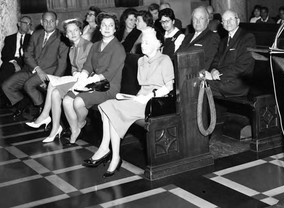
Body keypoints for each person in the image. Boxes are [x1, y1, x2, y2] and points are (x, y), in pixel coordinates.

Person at [82, 28, 174, 177]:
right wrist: (129, 98)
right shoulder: (141, 60)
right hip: (140, 99)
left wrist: (149, 96)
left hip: (155, 102)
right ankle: (112, 153)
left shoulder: (165, 60)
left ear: (157, 44)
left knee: (112, 109)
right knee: (106, 106)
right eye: (142, 42)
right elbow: (141, 87)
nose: (142, 45)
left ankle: (111, 153)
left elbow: (169, 87)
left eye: (146, 42)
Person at [62, 13, 126, 144]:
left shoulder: (118, 48)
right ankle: (75, 130)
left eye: (111, 25)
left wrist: (88, 81)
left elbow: (109, 73)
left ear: (115, 29)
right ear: (100, 28)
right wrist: (83, 78)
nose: (107, 28)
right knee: (67, 101)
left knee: (78, 102)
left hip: (108, 87)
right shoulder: (96, 45)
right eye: (104, 25)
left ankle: (80, 124)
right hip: (93, 83)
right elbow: (88, 65)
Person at [26, 19, 92, 142]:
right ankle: (55, 128)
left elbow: (92, 67)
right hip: (76, 79)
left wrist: (79, 74)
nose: (73, 33)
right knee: (55, 93)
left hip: (87, 81)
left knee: (52, 84)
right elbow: (73, 68)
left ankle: (45, 115)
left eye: (76, 30)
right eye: (69, 31)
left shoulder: (88, 46)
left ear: (81, 31)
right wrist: (75, 73)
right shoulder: (72, 49)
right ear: (66, 35)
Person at [2, 11, 69, 119]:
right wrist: (37, 68)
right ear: (41, 22)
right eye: (46, 21)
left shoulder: (62, 38)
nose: (49, 24)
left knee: (29, 85)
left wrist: (53, 81)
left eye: (52, 21)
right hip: (32, 69)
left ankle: (42, 111)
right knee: (7, 86)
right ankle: (23, 103)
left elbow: (62, 63)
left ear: (56, 22)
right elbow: (28, 54)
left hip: (48, 73)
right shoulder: (36, 34)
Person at [203, 10, 256, 97]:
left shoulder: (247, 37)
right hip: (223, 81)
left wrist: (218, 75)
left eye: (230, 19)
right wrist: (213, 70)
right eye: (224, 20)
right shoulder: (224, 40)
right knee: (198, 82)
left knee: (201, 85)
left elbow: (242, 66)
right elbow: (216, 60)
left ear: (238, 21)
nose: (228, 22)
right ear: (222, 24)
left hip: (237, 83)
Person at [0, 16, 32, 108]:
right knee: (4, 70)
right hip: (13, 60)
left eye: (29, 24)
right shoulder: (9, 39)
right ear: (19, 24)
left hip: (25, 61)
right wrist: (14, 63)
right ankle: (5, 98)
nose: (28, 26)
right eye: (25, 23)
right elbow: (4, 55)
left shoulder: (31, 38)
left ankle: (20, 99)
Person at [178, 6, 220, 70]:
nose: (198, 22)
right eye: (195, 18)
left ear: (207, 21)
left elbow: (209, 60)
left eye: (201, 18)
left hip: (196, 75)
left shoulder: (212, 36)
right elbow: (177, 55)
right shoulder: (188, 37)